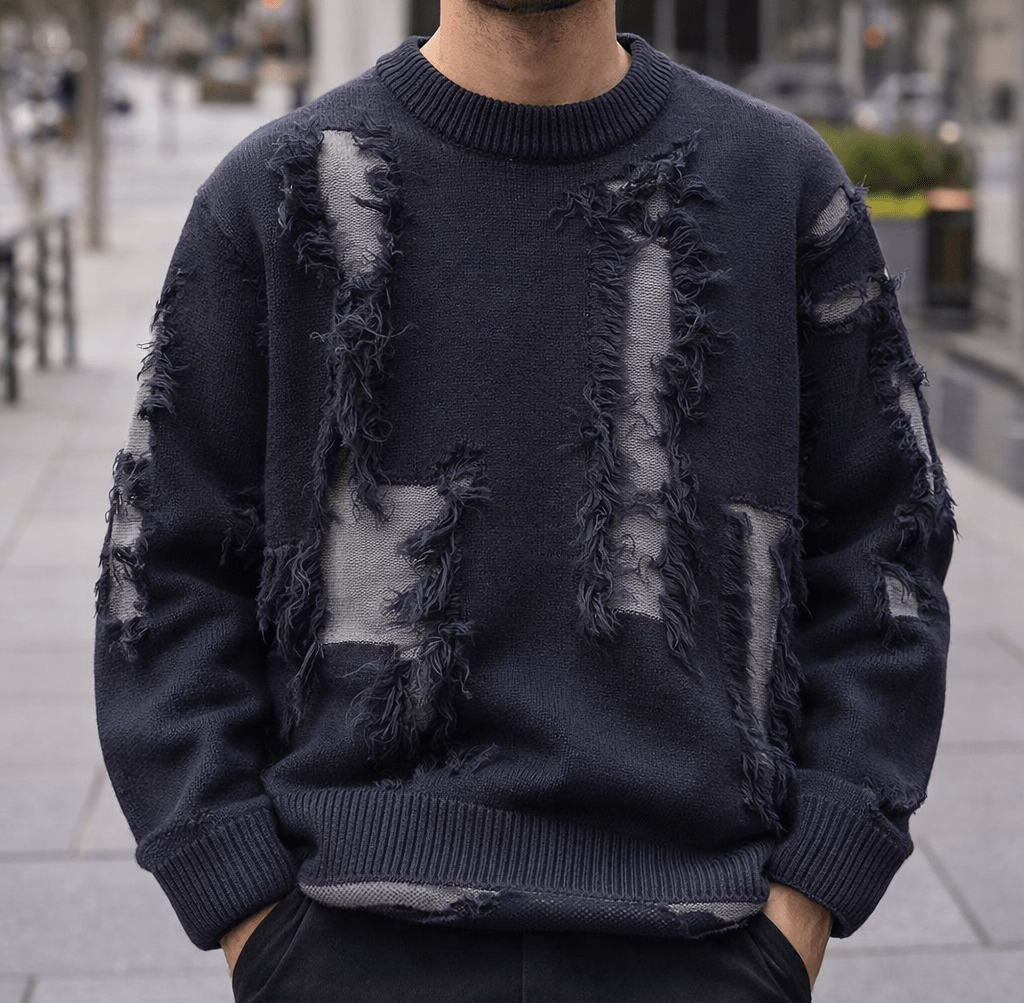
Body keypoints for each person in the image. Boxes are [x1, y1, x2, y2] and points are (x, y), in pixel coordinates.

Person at [94, 1, 955, 1000]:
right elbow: (161, 564)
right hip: (344, 941)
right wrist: (245, 908)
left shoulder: (782, 187)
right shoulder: (273, 193)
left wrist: (808, 895)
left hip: (704, 943)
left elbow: (888, 544)